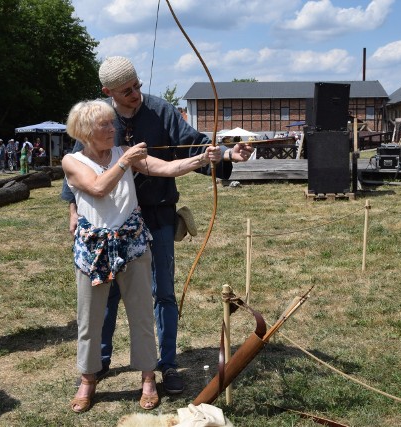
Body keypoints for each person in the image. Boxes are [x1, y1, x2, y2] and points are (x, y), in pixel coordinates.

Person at [61, 56, 254, 395]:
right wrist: (74, 210)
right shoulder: (98, 119)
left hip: (158, 214)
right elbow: (81, 169)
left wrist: (224, 155)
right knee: (106, 295)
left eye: (137, 86)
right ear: (109, 92)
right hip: (107, 223)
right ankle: (100, 362)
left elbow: (190, 148)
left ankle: (165, 364)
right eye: (126, 90)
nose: (136, 94)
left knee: (162, 293)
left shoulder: (160, 110)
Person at [63, 99, 221, 413]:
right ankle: (88, 379)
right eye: (104, 125)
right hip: (93, 250)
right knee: (90, 319)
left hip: (133, 243)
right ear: (85, 132)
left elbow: (166, 168)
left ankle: (149, 378)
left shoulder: (124, 152)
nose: (113, 128)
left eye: (112, 123)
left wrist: (204, 158)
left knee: (142, 315)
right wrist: (125, 162)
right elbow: (96, 188)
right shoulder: (72, 160)